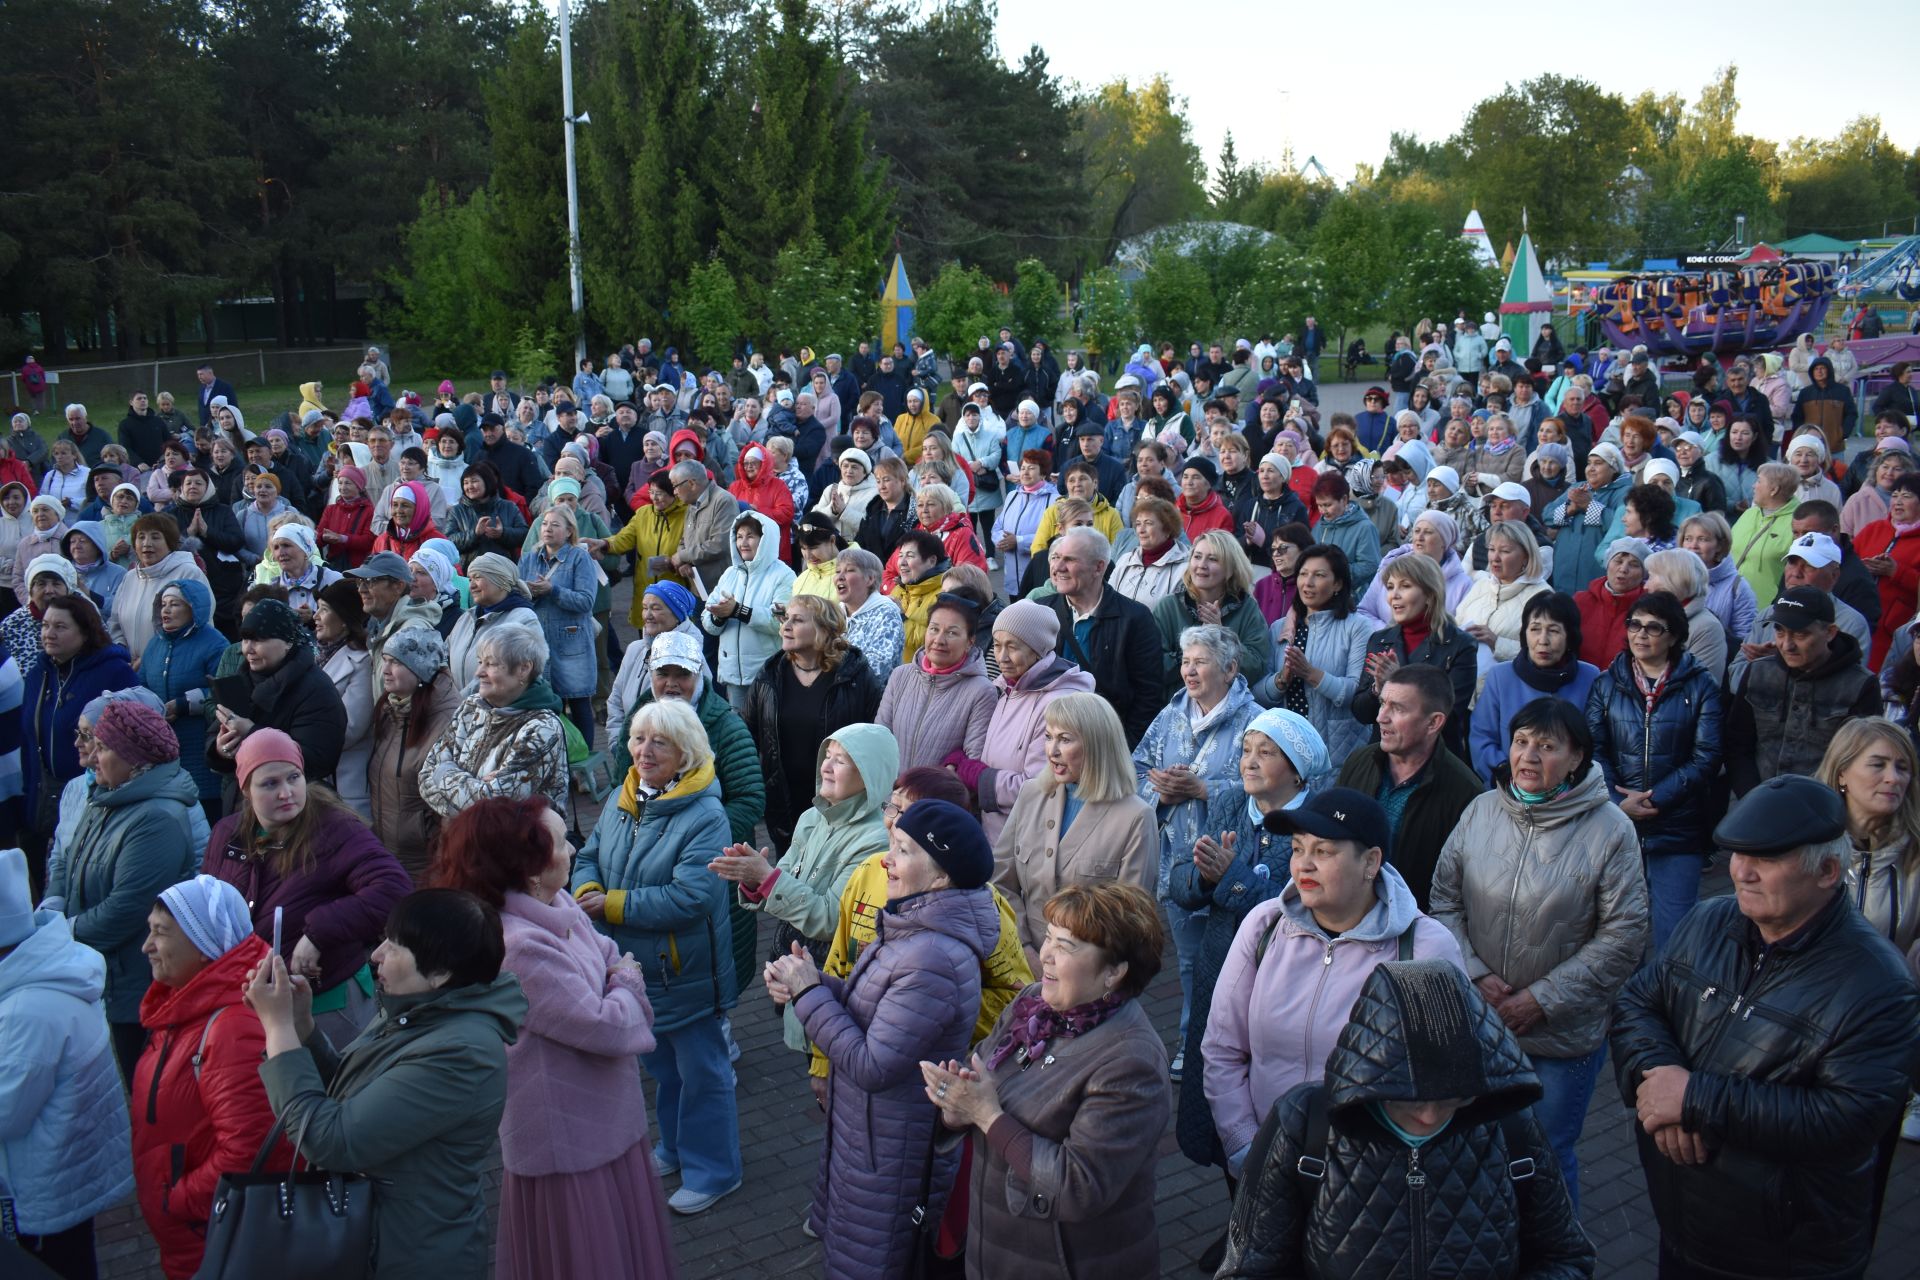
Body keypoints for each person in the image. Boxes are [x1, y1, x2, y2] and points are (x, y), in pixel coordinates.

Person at [1611, 776, 1920, 1280]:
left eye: (1768, 858)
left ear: (1827, 871)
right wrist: (1658, 1071)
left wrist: (1695, 1100)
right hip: (1683, 1229)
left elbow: (1848, 1119)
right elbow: (1639, 1000)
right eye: (1737, 853)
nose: (1742, 873)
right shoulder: (1708, 920)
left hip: (1783, 1257)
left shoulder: (1878, 984)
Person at [1218, 960, 1593, 1280]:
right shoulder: (1303, 1124)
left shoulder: (1510, 1125)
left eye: (1454, 1099)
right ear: (1369, 1077)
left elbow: (1566, 1257)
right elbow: (1249, 1269)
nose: (1429, 1115)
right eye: (1405, 1100)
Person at [430, 797, 677, 1279]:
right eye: (562, 843)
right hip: (567, 1137)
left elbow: (606, 950)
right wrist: (626, 978)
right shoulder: (519, 947)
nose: (573, 849)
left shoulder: (555, 902)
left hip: (600, 1119)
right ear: (529, 869)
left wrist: (617, 973)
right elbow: (605, 1024)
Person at [1431, 697, 1650, 1209]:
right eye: (1521, 741)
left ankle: (1557, 1259)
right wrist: (1476, 973)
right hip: (1480, 1020)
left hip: (1559, 1033)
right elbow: (1443, 899)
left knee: (1546, 1156)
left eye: (1547, 746)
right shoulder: (1483, 809)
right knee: (1478, 1147)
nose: (1528, 756)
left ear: (1576, 758)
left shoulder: (1611, 829)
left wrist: (1541, 1000)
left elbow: (1625, 935)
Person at [766, 797, 999, 1274]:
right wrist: (808, 981)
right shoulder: (912, 926)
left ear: (941, 876)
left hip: (892, 1155)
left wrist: (809, 994)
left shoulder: (932, 956)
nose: (886, 860)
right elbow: (869, 1010)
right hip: (871, 1139)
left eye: (903, 850)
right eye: (892, 844)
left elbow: (873, 1065)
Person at [244, 887, 527, 1279]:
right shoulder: (419, 1007)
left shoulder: (462, 1054)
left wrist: (277, 1029)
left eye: (394, 947)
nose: (376, 955)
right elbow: (350, 1088)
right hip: (375, 1236)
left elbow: (332, 1141)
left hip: (410, 1254)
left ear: (440, 973)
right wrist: (302, 1026)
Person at [1201, 790, 1467, 1184]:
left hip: (1369, 1179)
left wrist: (1375, 1170)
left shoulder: (1423, 948)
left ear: (1371, 862)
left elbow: (1445, 1081)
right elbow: (1222, 1049)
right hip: (1262, 1161)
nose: (1303, 864)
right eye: (1296, 848)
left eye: (1323, 851)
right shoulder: (1264, 925)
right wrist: (1243, 1145)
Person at [920, 881, 1171, 1280]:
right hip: (995, 1254)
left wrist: (986, 1115)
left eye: (1067, 946)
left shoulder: (1131, 1063)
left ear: (1114, 972)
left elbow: (1078, 1187)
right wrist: (955, 1107)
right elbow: (980, 1074)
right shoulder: (1032, 1005)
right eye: (1049, 937)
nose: (1046, 954)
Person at [572, 699, 741, 1215]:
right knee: (663, 1070)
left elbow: (692, 898)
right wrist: (587, 889)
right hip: (636, 970)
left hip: (684, 971)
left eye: (659, 742)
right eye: (639, 739)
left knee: (703, 1075)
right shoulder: (624, 796)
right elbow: (588, 855)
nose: (644, 751)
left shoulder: (706, 814)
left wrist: (611, 905)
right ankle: (673, 1149)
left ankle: (715, 1171)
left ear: (685, 752)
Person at [713, 723, 897, 1061]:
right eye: (827, 756)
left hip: (831, 979)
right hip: (795, 964)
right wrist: (755, 881)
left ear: (870, 775)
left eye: (841, 761)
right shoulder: (813, 816)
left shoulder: (875, 842)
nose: (826, 766)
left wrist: (767, 878)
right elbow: (786, 876)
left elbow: (830, 919)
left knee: (828, 1066)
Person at [131, 875, 282, 1280]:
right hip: (194, 1235)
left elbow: (248, 1152)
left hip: (212, 1235)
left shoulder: (233, 1027)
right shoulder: (183, 1004)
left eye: (160, 934)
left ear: (204, 945)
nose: (147, 946)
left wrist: (177, 1200)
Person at [40, 697, 200, 1077]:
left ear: (137, 759)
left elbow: (127, 909)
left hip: (135, 987)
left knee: (140, 1084)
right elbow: (69, 855)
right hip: (97, 972)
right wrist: (53, 907)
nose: (92, 756)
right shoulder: (105, 798)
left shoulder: (156, 819)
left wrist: (62, 933)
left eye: (104, 747)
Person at [0, 846, 137, 1280]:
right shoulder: (42, 975)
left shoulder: (29, 1012)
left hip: (44, 1189)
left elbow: (5, 1112)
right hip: (61, 1173)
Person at [1135, 623, 1260, 1068]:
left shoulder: (1255, 721)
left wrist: (1205, 789)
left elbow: (1267, 786)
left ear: (1229, 669)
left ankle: (1235, 1048)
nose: (1189, 670)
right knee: (1188, 963)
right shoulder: (1171, 714)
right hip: (1179, 863)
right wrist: (1161, 794)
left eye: (1200, 661)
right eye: (1186, 661)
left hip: (1236, 862)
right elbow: (1138, 768)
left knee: (1233, 965)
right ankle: (1193, 1043)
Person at [1585, 590, 1724, 952]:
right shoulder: (1606, 684)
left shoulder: (1701, 685)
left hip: (1678, 826)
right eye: (1635, 624)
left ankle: (1666, 1003)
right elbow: (1593, 749)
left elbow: (1707, 755)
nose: (1641, 635)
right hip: (1618, 826)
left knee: (1674, 934)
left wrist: (1656, 797)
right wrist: (1617, 800)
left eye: (1654, 628)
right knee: (1611, 932)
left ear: (1674, 636)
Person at [991, 692, 1156, 967]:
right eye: (1048, 736)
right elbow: (1000, 883)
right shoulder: (1031, 793)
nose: (1051, 751)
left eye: (1064, 739)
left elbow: (1130, 919)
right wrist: (1026, 948)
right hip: (1023, 964)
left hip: (1089, 977)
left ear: (1097, 746)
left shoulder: (1137, 817)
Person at [1334, 664, 1483, 910]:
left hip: (1415, 930)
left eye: (1398, 708)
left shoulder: (1466, 793)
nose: (1381, 717)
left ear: (1434, 723)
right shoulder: (1358, 762)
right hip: (1346, 916)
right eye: (1383, 703)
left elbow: (1460, 890)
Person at [1725, 586, 1878, 796]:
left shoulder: (1861, 685)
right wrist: (1754, 798)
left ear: (1830, 633)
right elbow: (1737, 745)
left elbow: (1861, 761)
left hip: (1824, 812)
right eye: (1779, 631)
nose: (1787, 645)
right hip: (1751, 804)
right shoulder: (1757, 672)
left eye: (1800, 634)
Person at [23, 592, 139, 860]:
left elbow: (136, 735)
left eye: (60, 627)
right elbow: (27, 738)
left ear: (85, 633)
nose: (49, 633)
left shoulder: (114, 673)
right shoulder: (38, 674)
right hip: (43, 795)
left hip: (94, 793)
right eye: (45, 625)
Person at [420, 624, 571, 823]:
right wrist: (475, 788)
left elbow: (495, 810)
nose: (478, 672)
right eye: (480, 662)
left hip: (516, 850)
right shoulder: (471, 707)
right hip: (463, 845)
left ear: (523, 669)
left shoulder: (542, 728)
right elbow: (424, 778)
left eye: (490, 664)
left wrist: (444, 771)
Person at [1349, 551, 1478, 762]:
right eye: (1390, 587)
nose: (1394, 595)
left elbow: (1448, 717)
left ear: (1429, 593)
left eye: (1405, 586)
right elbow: (1361, 713)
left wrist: (1397, 679)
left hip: (1436, 762)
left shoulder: (1460, 645)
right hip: (1385, 759)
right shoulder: (1379, 641)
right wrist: (1377, 690)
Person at [1040, 527, 1163, 746]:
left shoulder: (1134, 619)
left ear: (1098, 567)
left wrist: (1123, 749)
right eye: (1056, 557)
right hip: (1046, 745)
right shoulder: (1040, 612)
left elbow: (1148, 696)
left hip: (1105, 746)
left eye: (1069, 559)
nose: (1058, 567)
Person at [1469, 591, 1601, 783]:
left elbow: (1595, 744)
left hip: (1570, 791)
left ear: (1570, 637)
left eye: (1554, 631)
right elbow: (1481, 739)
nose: (1543, 640)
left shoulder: (1590, 677)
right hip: (1508, 787)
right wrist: (1513, 777)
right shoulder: (1501, 676)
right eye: (1535, 629)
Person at [368, 628, 457, 883]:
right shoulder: (392, 708)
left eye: (395, 662)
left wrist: (443, 869)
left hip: (427, 863)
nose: (385, 669)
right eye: (385, 660)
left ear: (421, 670)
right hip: (389, 855)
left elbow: (451, 809)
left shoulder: (446, 722)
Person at [877, 587, 994, 771]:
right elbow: (879, 737)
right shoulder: (901, 675)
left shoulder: (981, 691)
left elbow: (973, 759)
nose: (939, 640)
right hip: (889, 794)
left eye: (952, 633)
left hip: (937, 797)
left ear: (970, 641)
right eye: (934, 629)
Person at [1148, 529, 1274, 701]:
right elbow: (1151, 665)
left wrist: (1220, 636)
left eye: (1213, 559)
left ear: (1230, 568)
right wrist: (1192, 655)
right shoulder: (1169, 607)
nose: (1201, 565)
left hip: (1230, 712)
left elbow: (1256, 667)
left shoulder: (1248, 608)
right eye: (1197, 556)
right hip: (1176, 711)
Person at [140, 579, 227, 819]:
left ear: (194, 608)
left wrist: (185, 704)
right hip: (163, 752)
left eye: (174, 604)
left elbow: (225, 690)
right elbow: (142, 686)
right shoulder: (154, 645)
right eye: (163, 604)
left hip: (200, 749)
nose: (166, 610)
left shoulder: (214, 643)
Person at [517, 505, 598, 747]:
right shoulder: (529, 558)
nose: (548, 529)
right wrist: (527, 592)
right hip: (539, 643)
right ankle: (555, 764)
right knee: (548, 709)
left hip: (572, 644)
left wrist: (554, 590)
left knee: (580, 704)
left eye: (555, 524)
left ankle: (585, 772)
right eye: (544, 524)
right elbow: (517, 596)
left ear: (569, 530)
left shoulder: (580, 558)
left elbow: (586, 601)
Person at [700, 511, 794, 714]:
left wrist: (737, 610)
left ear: (766, 540)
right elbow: (708, 621)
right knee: (740, 735)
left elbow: (781, 622)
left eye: (750, 536)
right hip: (732, 675)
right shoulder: (729, 574)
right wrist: (719, 615)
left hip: (768, 675)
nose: (743, 542)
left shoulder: (783, 575)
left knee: (767, 733)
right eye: (739, 536)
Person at [1454, 519, 1550, 692]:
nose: (1495, 558)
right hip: (1464, 690)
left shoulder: (1543, 597)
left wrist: (1497, 643)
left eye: (1505, 551)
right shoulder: (1481, 586)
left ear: (1526, 556)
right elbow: (1456, 623)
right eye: (1491, 550)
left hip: (1509, 692)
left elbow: (1545, 652)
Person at [113, 513, 210, 662]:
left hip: (172, 666)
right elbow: (115, 621)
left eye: (155, 537)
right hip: (130, 668)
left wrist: (151, 658)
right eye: (141, 537)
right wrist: (121, 650)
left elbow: (200, 625)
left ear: (169, 542)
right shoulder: (130, 577)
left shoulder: (188, 573)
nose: (147, 543)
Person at [1544, 442, 1634, 595]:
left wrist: (1589, 505)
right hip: (1564, 568)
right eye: (1589, 463)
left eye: (1598, 463)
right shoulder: (1579, 487)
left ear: (1613, 468)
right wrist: (1571, 509)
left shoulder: (1625, 493)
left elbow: (1622, 524)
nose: (1591, 468)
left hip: (1595, 571)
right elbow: (1547, 515)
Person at [445, 551, 539, 690]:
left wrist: (460, 701)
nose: (471, 586)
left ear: (500, 580)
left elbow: (505, 673)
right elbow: (443, 657)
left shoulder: (523, 619)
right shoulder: (467, 618)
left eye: (477, 577)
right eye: (470, 579)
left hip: (500, 709)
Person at [1729, 460, 1801, 602]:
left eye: (1759, 481)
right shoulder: (1749, 514)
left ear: (1773, 490)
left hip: (1765, 608)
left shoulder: (1797, 523)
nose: (1753, 485)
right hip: (1731, 601)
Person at [1574, 536, 1651, 669]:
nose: (1623, 569)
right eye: (1618, 561)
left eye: (1633, 565)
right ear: (1607, 564)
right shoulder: (1580, 601)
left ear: (1643, 574)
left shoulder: (1650, 610)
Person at [833, 546, 904, 674]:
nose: (840, 577)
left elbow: (878, 669)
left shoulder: (886, 613)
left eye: (849, 570)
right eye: (837, 571)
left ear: (870, 579)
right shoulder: (835, 614)